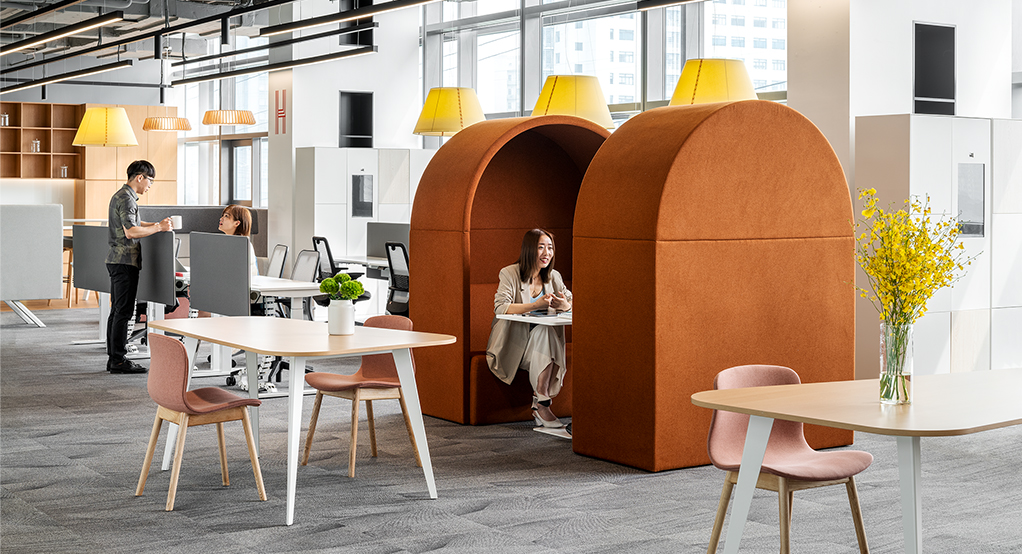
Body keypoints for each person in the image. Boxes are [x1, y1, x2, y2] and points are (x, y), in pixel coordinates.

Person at [486, 229, 573, 428]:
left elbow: (571, 302)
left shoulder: (554, 277)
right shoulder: (510, 273)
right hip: (514, 346)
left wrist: (565, 307)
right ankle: (542, 405)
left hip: (543, 345)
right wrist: (535, 305)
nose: (546, 253)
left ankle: (541, 401)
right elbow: (501, 307)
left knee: (545, 330)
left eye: (550, 248)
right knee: (545, 331)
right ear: (529, 250)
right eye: (541, 247)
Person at [106, 160, 173, 374]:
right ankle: (118, 360)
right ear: (140, 177)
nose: (150, 186)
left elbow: (134, 223)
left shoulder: (121, 195)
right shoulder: (127, 199)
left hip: (117, 260)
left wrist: (156, 225)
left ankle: (114, 358)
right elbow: (131, 232)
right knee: (123, 312)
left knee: (117, 311)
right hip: (125, 261)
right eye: (150, 181)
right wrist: (158, 228)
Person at [218, 204, 258, 276]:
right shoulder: (228, 242)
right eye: (222, 216)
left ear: (237, 223)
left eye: (226, 216)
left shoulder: (242, 245)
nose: (221, 219)